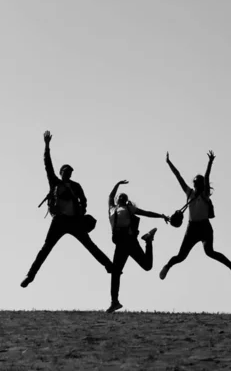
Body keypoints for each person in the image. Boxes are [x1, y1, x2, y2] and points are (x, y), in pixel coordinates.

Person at [21, 131, 113, 288]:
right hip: (59, 221)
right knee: (46, 249)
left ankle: (109, 266)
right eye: (65, 171)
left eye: (70, 172)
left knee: (90, 246)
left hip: (75, 221)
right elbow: (47, 164)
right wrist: (47, 145)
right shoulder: (55, 183)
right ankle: (30, 275)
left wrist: (82, 212)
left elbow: (84, 200)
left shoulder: (76, 186)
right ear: (61, 173)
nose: (68, 174)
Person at [160, 151, 231, 282]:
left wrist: (210, 163)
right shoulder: (189, 192)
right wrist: (169, 162)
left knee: (209, 252)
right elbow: (178, 176)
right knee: (181, 256)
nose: (196, 186)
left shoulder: (205, 195)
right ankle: (167, 267)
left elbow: (207, 177)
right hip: (191, 228)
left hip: (204, 227)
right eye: (195, 184)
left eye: (198, 184)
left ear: (202, 185)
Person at [106, 180, 169, 313]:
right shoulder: (112, 209)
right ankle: (114, 302)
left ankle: (148, 240)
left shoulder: (129, 209)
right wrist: (117, 184)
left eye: (124, 197)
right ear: (118, 200)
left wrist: (161, 216)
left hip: (130, 241)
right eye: (120, 197)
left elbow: (146, 213)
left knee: (147, 266)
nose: (122, 198)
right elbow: (110, 196)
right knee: (115, 272)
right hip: (120, 244)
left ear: (127, 200)